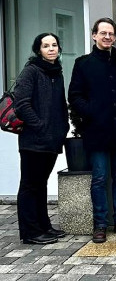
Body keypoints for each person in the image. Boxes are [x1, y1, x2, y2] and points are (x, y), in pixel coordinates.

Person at [69, 18, 116, 243]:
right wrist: (92, 112)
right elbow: (75, 96)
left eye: (111, 34)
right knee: (99, 178)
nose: (107, 37)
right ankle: (100, 224)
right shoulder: (83, 64)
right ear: (94, 36)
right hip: (97, 130)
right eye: (103, 33)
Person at [14, 33, 69, 245]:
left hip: (51, 140)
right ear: (39, 50)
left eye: (54, 45)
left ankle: (43, 226)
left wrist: (62, 127)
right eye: (46, 46)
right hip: (33, 141)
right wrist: (40, 126)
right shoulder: (31, 72)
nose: (51, 49)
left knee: (41, 184)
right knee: (30, 185)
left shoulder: (56, 72)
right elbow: (22, 105)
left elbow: (59, 105)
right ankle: (30, 232)